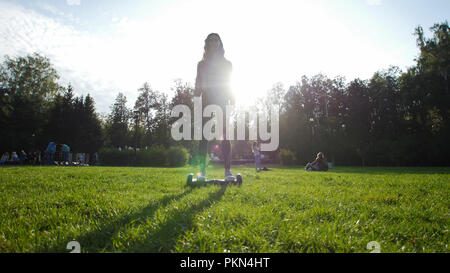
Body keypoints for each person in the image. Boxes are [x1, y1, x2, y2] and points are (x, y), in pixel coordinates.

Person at [195, 33, 234, 178]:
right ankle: (202, 171)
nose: (213, 42)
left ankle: (227, 170)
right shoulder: (201, 64)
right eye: (210, 40)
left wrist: (233, 101)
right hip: (206, 101)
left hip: (222, 100)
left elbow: (230, 83)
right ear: (207, 44)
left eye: (215, 40)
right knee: (203, 136)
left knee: (225, 136)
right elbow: (198, 82)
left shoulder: (227, 64)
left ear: (220, 44)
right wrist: (195, 98)